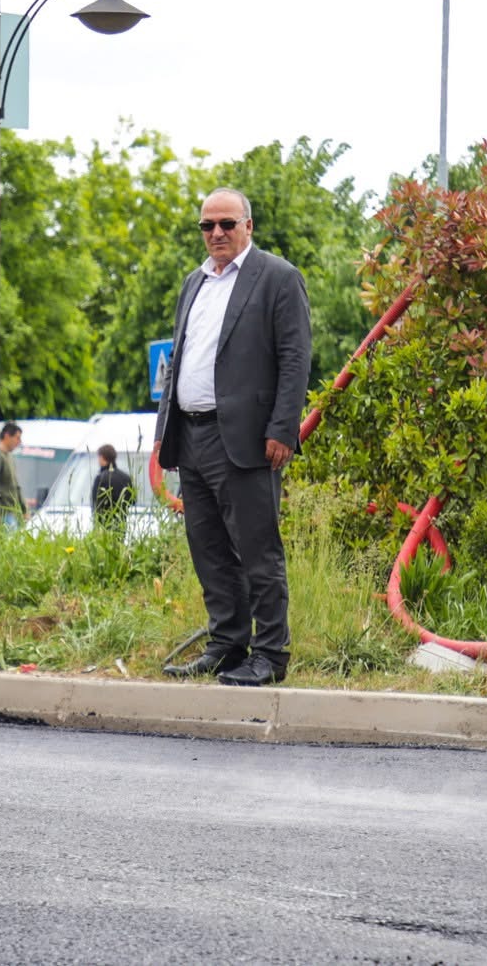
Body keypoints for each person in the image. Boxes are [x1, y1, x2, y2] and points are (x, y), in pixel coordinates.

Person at [154, 187, 311, 687]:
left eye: (226, 224)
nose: (216, 234)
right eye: (207, 226)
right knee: (209, 548)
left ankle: (270, 653)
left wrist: (283, 428)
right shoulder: (193, 283)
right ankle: (226, 645)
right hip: (193, 434)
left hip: (246, 439)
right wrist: (163, 433)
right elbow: (177, 362)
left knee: (257, 549)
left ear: (248, 226)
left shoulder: (278, 278)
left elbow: (295, 357)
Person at [91, 443, 135, 536]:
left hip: (104, 528)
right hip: (121, 526)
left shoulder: (101, 478)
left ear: (102, 458)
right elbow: (133, 500)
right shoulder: (126, 477)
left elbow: (96, 505)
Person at [0, 421, 29, 521]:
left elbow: (16, 485)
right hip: (2, 512)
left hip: (12, 511)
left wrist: (24, 510)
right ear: (7, 436)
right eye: (17, 438)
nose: (19, 442)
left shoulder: (10, 457)